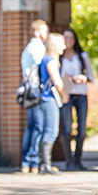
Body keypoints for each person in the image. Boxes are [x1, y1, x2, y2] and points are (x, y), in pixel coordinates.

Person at [60, 29, 94, 170]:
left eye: (71, 37)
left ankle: (78, 159)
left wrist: (83, 78)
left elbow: (91, 76)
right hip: (66, 94)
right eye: (66, 38)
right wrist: (67, 79)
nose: (69, 40)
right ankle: (69, 162)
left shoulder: (82, 56)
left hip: (81, 94)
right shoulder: (59, 57)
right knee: (67, 128)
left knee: (81, 129)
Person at [35, 33, 69, 175]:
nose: (65, 46)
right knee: (51, 131)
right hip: (49, 99)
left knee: (47, 130)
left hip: (44, 100)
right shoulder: (51, 61)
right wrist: (65, 96)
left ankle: (44, 164)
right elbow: (57, 82)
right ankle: (45, 165)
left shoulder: (46, 59)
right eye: (62, 43)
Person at [20, 19, 49, 174]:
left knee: (31, 127)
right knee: (38, 127)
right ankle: (33, 161)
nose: (47, 34)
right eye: (45, 31)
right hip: (36, 91)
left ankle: (27, 161)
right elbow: (41, 69)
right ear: (37, 32)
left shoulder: (27, 48)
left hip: (29, 91)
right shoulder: (38, 47)